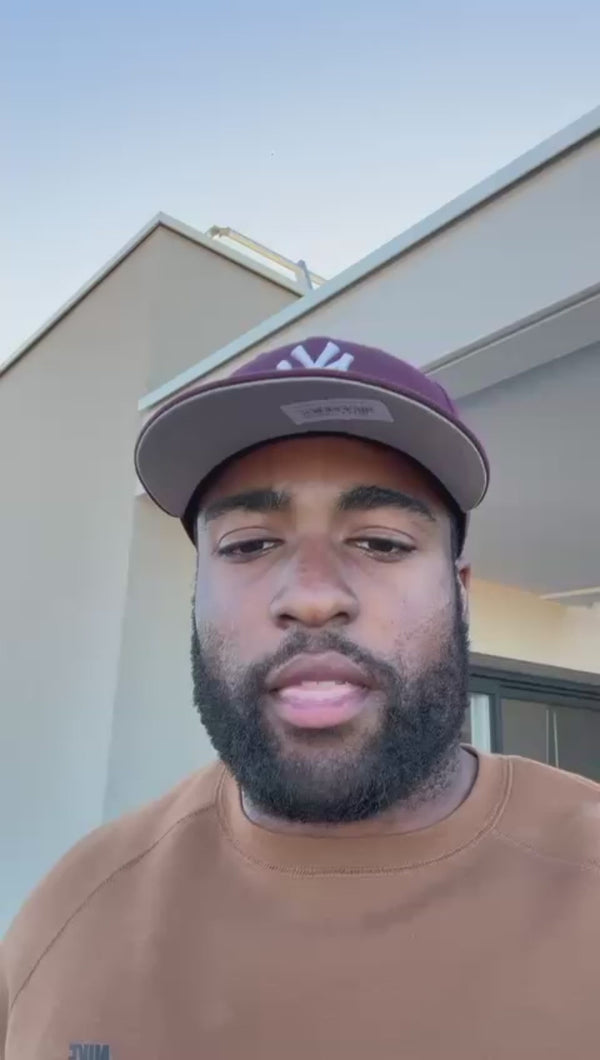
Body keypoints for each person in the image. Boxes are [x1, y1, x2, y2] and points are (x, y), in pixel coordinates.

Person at [1, 337, 599, 1059]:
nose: (313, 595)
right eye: (249, 545)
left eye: (382, 542)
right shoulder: (70, 915)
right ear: (196, 596)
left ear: (460, 593)